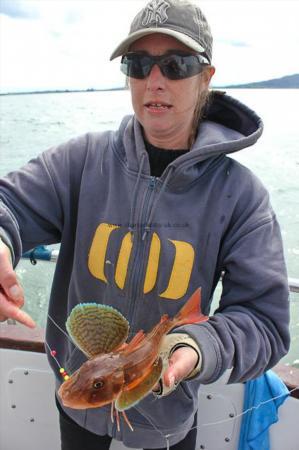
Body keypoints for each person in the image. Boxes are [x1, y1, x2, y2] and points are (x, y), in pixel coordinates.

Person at [0, 0, 290, 449]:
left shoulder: (241, 197)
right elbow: (10, 203)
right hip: (82, 396)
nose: (154, 81)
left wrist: (196, 349)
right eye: (138, 64)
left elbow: (265, 323)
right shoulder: (81, 162)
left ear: (206, 78)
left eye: (176, 64)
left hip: (169, 416)